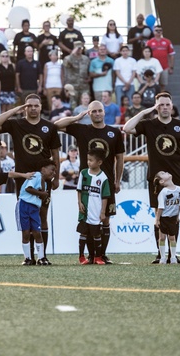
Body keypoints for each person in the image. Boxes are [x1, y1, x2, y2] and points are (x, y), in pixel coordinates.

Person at [123, 92, 180, 263]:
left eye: (167, 104)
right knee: (159, 214)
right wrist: (144, 112)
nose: (164, 108)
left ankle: (173, 254)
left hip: (175, 177)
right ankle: (160, 253)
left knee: (174, 215)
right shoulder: (149, 124)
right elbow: (126, 128)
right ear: (156, 107)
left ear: (172, 106)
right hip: (155, 178)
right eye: (160, 105)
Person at [0, 94, 61, 264]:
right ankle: (28, 257)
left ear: (41, 107)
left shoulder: (49, 127)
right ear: (25, 107)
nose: (33, 108)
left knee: (42, 216)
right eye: (29, 105)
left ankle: (42, 256)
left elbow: (55, 154)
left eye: (36, 105)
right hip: (23, 178)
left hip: (44, 179)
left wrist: (56, 177)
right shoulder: (17, 124)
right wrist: (15, 110)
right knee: (26, 217)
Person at [57, 100, 126, 263]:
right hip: (87, 184)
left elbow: (120, 158)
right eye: (93, 111)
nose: (97, 114)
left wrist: (117, 180)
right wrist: (77, 117)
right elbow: (56, 125)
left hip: (106, 183)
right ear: (89, 113)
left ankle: (101, 254)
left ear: (104, 112)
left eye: (99, 111)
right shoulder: (82, 130)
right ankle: (91, 255)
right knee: (89, 220)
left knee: (105, 219)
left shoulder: (114, 133)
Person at [75, 147, 112, 265]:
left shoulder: (103, 177)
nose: (88, 162)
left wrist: (102, 212)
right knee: (83, 233)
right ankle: (81, 257)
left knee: (96, 234)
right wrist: (79, 203)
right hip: (84, 210)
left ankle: (98, 257)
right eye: (88, 160)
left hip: (96, 211)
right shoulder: (83, 173)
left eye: (91, 160)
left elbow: (105, 196)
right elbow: (79, 190)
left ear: (99, 162)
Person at [152, 171, 180, 265]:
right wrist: (157, 219)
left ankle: (173, 257)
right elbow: (160, 208)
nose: (166, 172)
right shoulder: (163, 192)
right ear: (161, 181)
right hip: (164, 218)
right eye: (163, 173)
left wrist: (177, 216)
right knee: (162, 238)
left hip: (173, 218)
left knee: (172, 237)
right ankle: (162, 257)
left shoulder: (179, 189)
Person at [146, 25, 175, 90]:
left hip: (164, 67)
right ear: (153, 32)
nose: (158, 32)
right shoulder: (149, 42)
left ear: (162, 32)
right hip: (153, 68)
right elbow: (145, 54)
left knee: (163, 85)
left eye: (160, 30)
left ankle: (161, 98)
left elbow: (171, 55)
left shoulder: (167, 42)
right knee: (153, 84)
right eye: (156, 30)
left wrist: (171, 67)